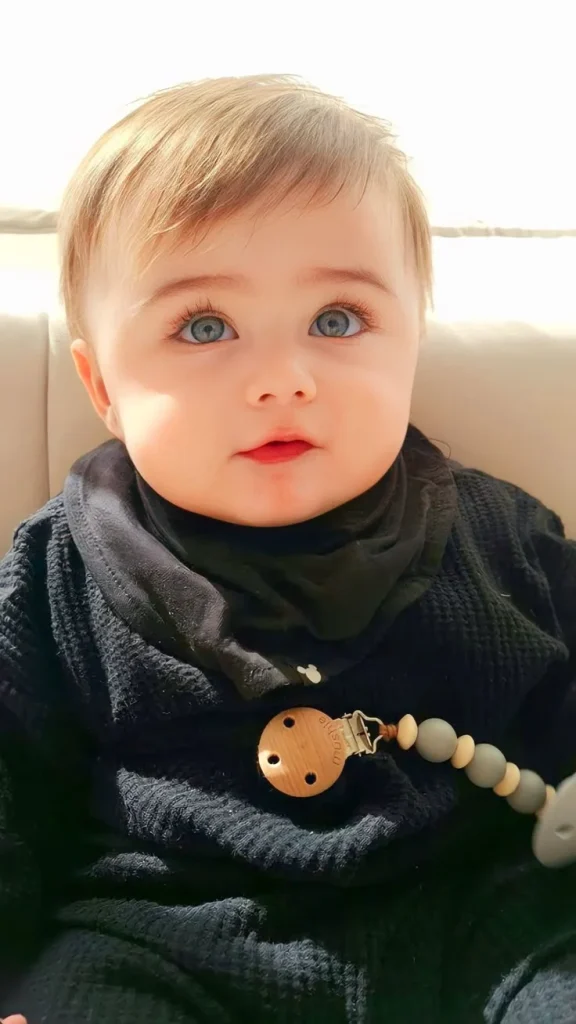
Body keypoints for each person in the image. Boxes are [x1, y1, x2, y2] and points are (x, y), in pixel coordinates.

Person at [0, 74, 575, 1024]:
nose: (282, 379)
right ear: (103, 386)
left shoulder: (502, 540)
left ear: (411, 342)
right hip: (165, 937)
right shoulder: (61, 570)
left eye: (337, 321)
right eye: (204, 326)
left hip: (481, 922)